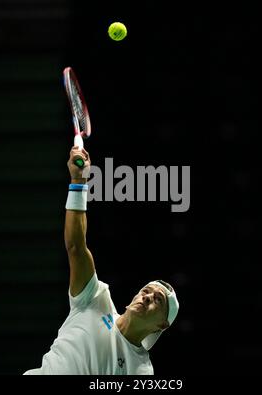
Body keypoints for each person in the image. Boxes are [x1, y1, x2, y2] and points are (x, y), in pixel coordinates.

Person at [23, 146, 179, 375]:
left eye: (157, 300)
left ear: (161, 325)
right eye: (146, 291)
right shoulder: (95, 299)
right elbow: (76, 246)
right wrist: (78, 180)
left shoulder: (142, 372)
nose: (147, 298)